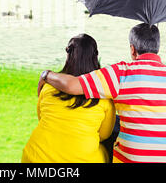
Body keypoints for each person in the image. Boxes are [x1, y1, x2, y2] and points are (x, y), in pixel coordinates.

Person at [38, 23, 166, 163]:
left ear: (132, 49)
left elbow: (72, 85)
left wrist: (46, 75)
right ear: (158, 47)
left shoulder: (121, 73)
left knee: (111, 122)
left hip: (131, 160)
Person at [22, 34, 116, 163]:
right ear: (95, 56)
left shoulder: (48, 86)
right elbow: (104, 135)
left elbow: (41, 118)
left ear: (68, 54)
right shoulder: (104, 97)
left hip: (35, 157)